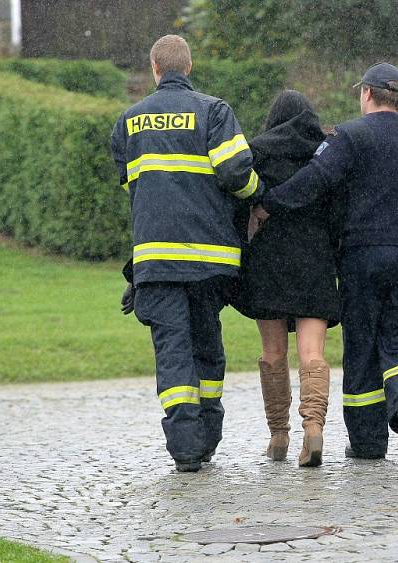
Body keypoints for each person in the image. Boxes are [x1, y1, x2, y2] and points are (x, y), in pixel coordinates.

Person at [253, 63, 398, 462]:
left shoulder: (352, 135)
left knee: (364, 343)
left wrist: (269, 204)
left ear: (366, 94)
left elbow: (314, 181)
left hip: (366, 252)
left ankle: (368, 442)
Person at [110, 35, 261, 472]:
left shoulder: (128, 121)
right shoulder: (214, 111)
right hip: (208, 259)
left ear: (155, 68)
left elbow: (134, 188)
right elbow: (236, 172)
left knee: (172, 349)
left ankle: (184, 447)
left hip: (155, 261)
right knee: (206, 343)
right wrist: (258, 194)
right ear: (189, 67)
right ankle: (208, 433)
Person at [233, 90, 340, 468]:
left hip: (269, 264)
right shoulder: (325, 153)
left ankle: (278, 436)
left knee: (273, 354)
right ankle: (314, 428)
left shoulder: (257, 153)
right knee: (313, 353)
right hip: (315, 262)